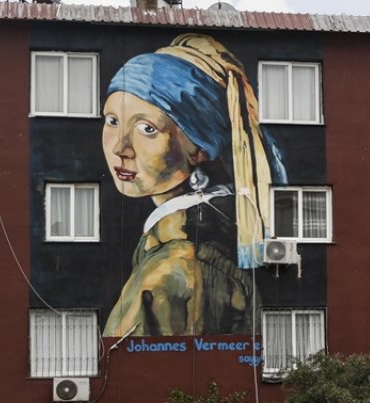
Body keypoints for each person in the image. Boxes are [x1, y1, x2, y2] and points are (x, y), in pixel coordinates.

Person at [100, 33, 286, 337]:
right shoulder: (202, 235)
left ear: (199, 149)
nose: (121, 147)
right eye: (112, 121)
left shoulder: (176, 266)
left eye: (147, 128)